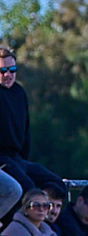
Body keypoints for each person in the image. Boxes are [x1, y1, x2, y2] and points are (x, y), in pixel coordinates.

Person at [0, 48, 64, 194]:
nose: (7, 75)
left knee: (57, 184)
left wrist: (23, 160)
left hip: (17, 158)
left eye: (12, 70)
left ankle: (46, 215)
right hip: (1, 160)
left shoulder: (19, 92)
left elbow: (26, 130)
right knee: (27, 188)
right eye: (2, 70)